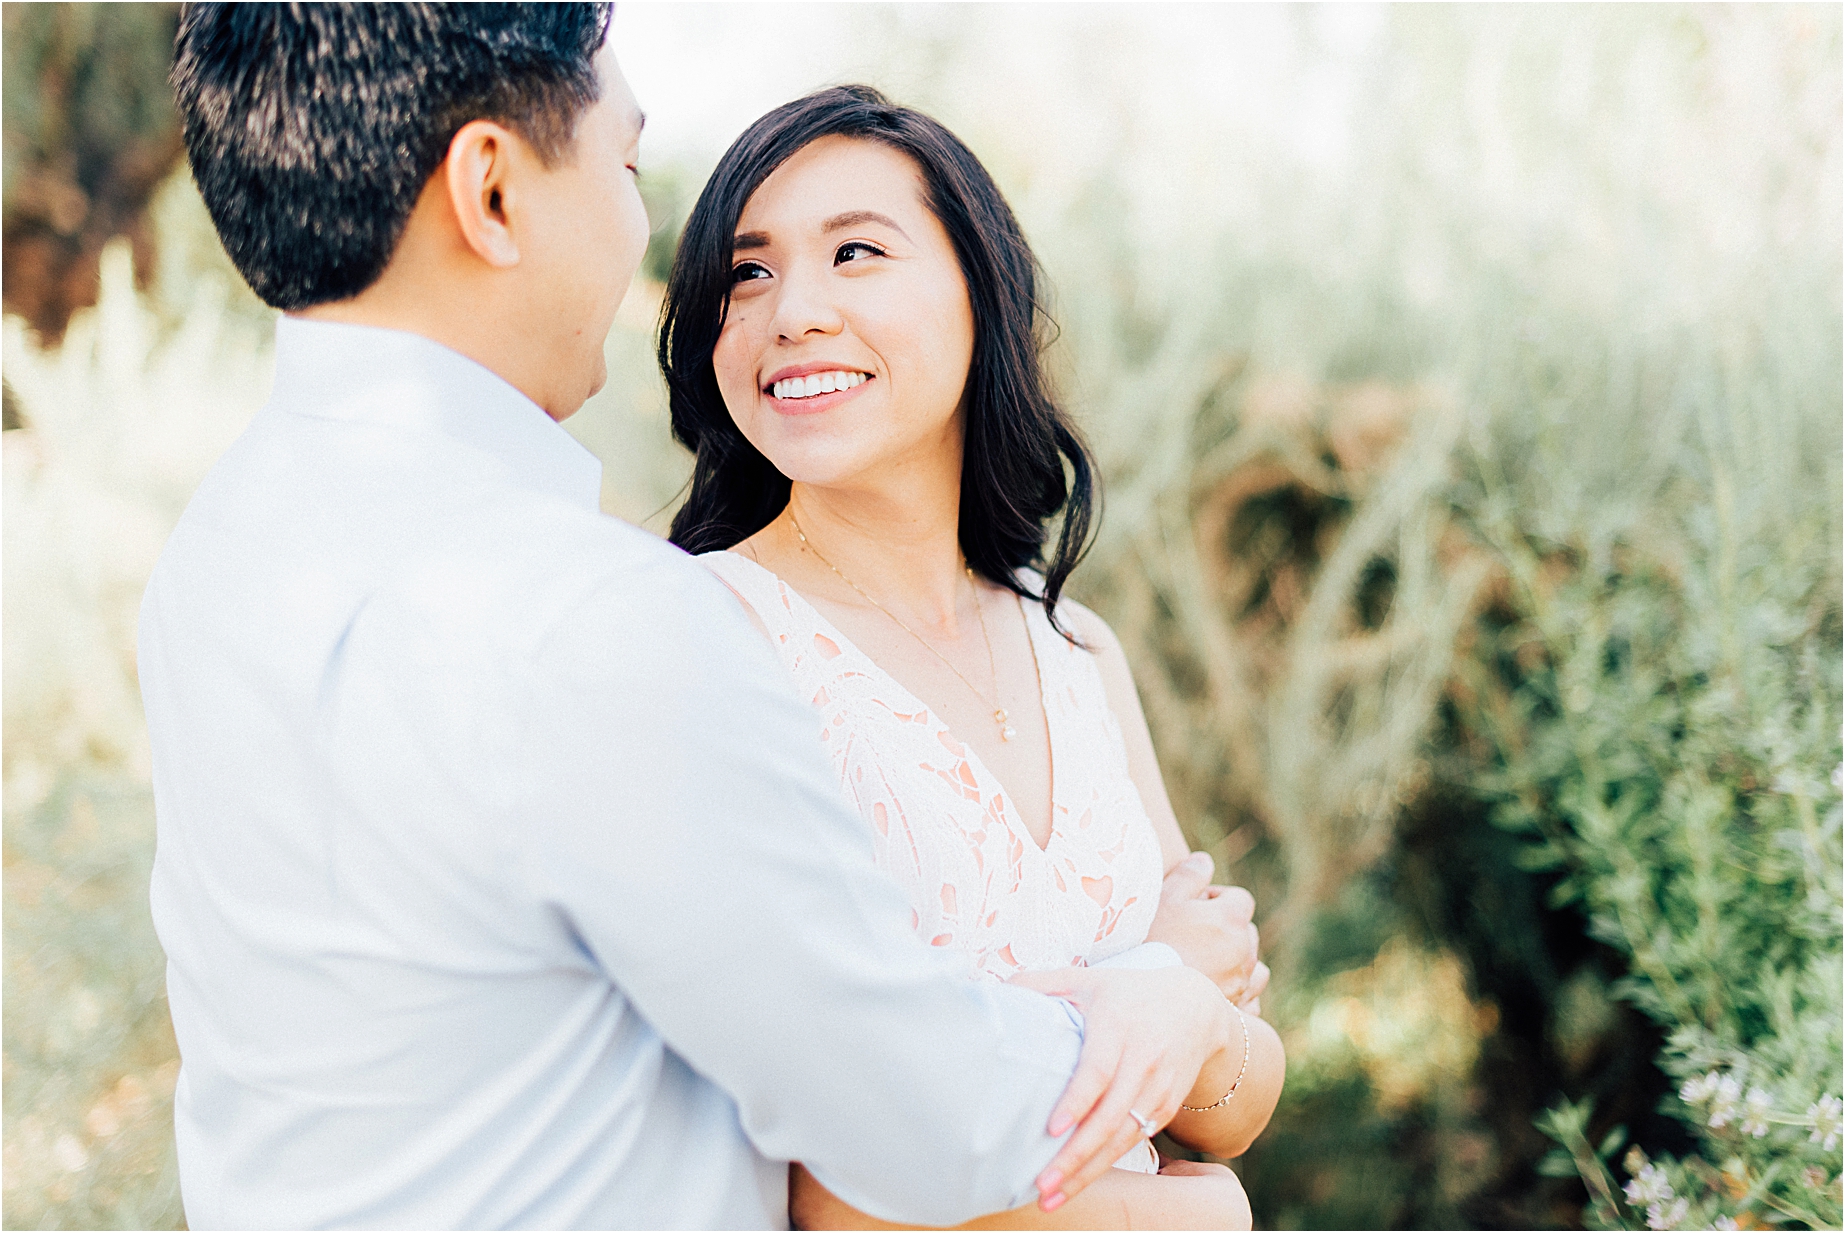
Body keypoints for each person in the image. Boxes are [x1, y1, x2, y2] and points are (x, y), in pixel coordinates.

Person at [143, 7, 1244, 1229]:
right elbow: (929, 1126)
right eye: (624, 167)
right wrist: (1157, 999)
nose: (644, 233)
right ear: (492, 193)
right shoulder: (590, 621)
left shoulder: (218, 553)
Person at [660, 86, 1287, 1229]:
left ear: (979, 291)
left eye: (855, 252)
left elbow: (1236, 1101)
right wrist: (1196, 1207)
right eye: (745, 274)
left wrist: (1173, 1004)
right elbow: (829, 1189)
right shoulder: (700, 635)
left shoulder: (1076, 647)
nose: (792, 310)